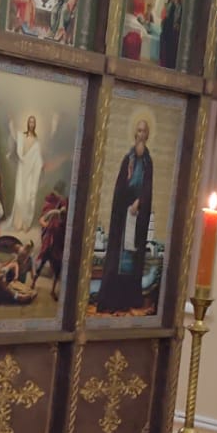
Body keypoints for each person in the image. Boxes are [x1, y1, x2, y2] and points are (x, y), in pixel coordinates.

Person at [97, 118, 153, 314]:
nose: (141, 135)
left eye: (144, 131)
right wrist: (126, 184)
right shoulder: (127, 159)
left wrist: (139, 202)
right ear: (135, 134)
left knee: (132, 259)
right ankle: (114, 300)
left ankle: (128, 299)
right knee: (119, 259)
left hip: (137, 217)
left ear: (147, 135)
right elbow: (120, 187)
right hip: (123, 216)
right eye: (138, 131)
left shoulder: (148, 163)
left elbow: (147, 188)